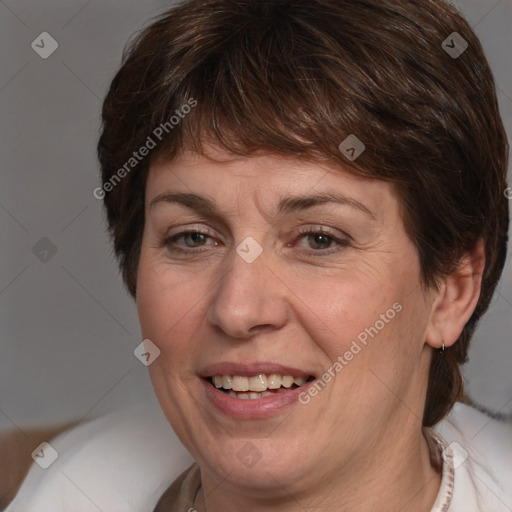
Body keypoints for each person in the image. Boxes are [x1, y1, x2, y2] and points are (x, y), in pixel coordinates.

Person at [6, 0, 511, 510]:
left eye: (319, 239)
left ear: (452, 290)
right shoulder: (66, 489)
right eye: (193, 237)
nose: (238, 310)